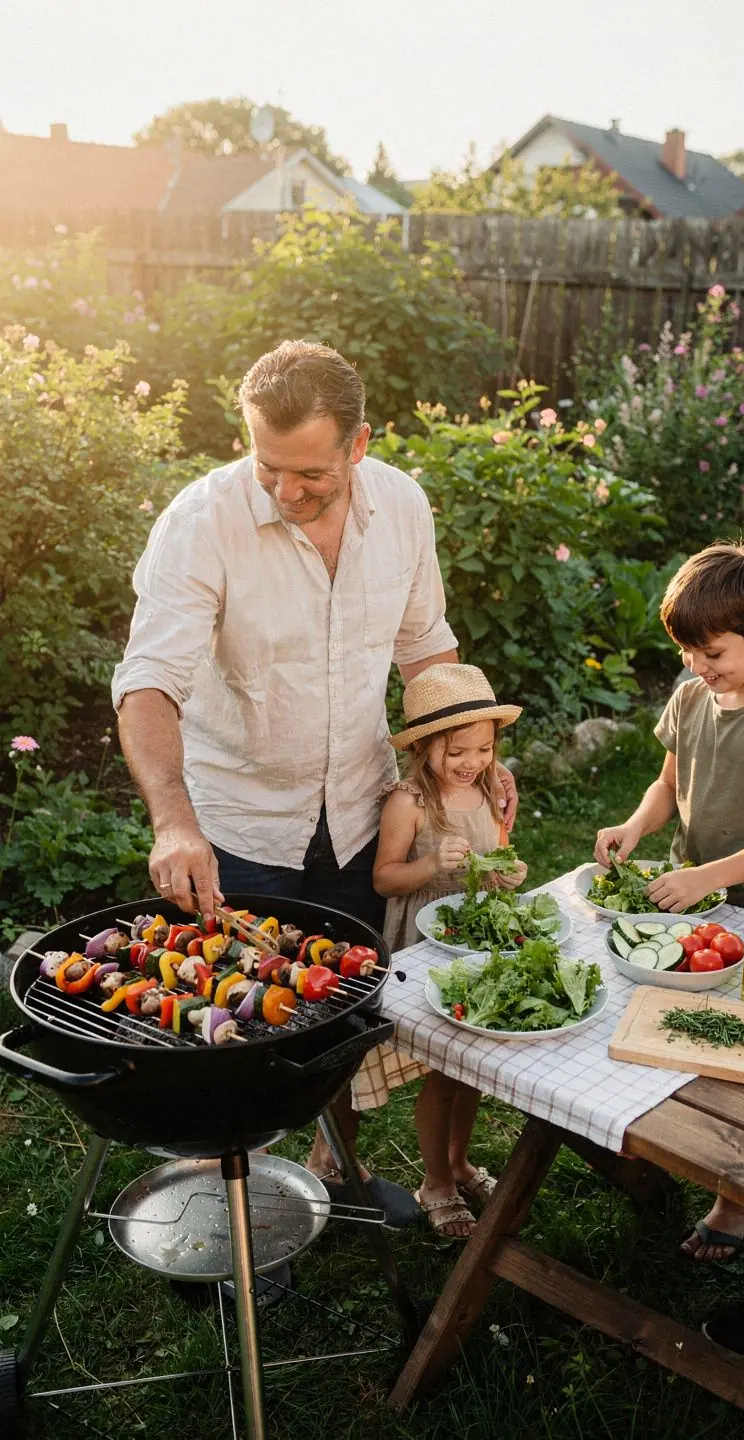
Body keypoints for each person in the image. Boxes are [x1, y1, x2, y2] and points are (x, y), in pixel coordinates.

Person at [113, 339, 517, 1225]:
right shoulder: (202, 520)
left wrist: (470, 761)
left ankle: (336, 1171)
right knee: (244, 1035)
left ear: (359, 445)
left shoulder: (403, 509)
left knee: (348, 1013)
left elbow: (426, 651)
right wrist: (175, 821)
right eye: (269, 469)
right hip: (241, 827)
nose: (287, 494)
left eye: (310, 477)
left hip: (363, 809)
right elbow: (148, 683)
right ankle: (243, 1225)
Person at [595, 542, 744, 1359]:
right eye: (688, 650)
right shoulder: (691, 698)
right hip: (699, 911)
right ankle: (731, 1193)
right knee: (687, 1050)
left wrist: (708, 878)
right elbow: (667, 783)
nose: (698, 665)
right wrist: (636, 823)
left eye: (713, 652)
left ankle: (739, 1202)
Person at [351, 664, 527, 1239]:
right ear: (425, 746)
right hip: (425, 946)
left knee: (468, 1069)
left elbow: (492, 853)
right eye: (456, 752)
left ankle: (459, 1163)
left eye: (483, 748)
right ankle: (435, 1180)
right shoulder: (410, 803)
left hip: (473, 943)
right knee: (440, 1071)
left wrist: (504, 873)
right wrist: (429, 865)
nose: (471, 761)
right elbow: (383, 879)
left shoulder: (486, 789)